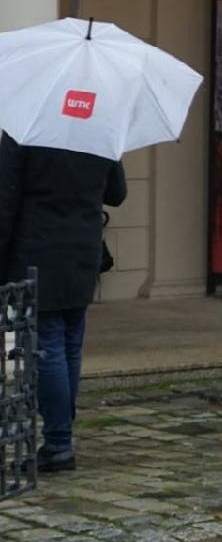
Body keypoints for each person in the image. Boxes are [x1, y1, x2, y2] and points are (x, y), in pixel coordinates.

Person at [0, 134, 127, 472]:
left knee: (49, 346)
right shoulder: (102, 128)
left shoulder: (24, 129)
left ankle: (58, 442)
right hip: (82, 251)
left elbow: (5, 198)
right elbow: (117, 194)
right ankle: (61, 437)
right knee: (69, 344)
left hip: (35, 252)